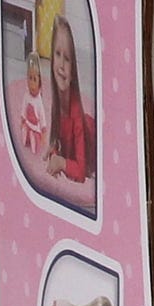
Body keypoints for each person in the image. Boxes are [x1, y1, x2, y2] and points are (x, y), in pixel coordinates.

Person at [45, 15, 91, 184]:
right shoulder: (56, 104)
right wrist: (54, 153)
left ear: (73, 71)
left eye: (67, 59)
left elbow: (80, 172)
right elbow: (58, 141)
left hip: (90, 131)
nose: (62, 66)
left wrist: (62, 163)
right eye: (58, 55)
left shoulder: (76, 114)